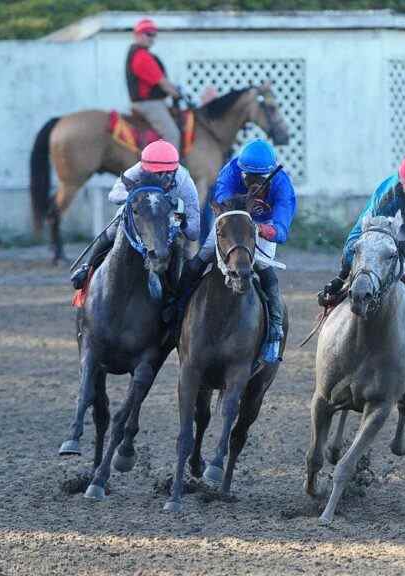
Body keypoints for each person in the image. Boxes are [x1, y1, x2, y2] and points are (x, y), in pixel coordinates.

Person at [321, 153, 405, 352]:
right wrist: (344, 269)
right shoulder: (389, 192)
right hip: (396, 222)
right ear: (402, 185)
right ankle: (341, 290)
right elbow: (360, 232)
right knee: (368, 252)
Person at [176, 139, 296, 364]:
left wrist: (260, 229)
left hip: (260, 230)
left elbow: (282, 229)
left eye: (258, 178)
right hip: (230, 224)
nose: (252, 181)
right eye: (248, 176)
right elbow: (220, 200)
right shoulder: (231, 170)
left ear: (270, 174)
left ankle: (274, 332)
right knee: (199, 260)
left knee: (266, 273)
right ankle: (177, 310)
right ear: (241, 171)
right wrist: (242, 204)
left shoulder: (282, 186)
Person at [70, 140, 199, 289]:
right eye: (154, 172)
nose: (158, 176)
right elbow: (114, 194)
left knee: (178, 242)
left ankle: (176, 294)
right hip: (141, 209)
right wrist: (135, 198)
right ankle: (88, 268)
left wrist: (183, 223)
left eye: (163, 173)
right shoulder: (138, 169)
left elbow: (194, 232)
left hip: (171, 214)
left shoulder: (185, 183)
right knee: (113, 228)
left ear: (173, 170)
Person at [126, 18, 182, 150]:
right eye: (148, 34)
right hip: (149, 105)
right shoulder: (142, 56)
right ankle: (170, 168)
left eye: (153, 34)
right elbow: (163, 83)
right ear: (138, 35)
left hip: (151, 103)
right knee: (172, 134)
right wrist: (177, 93)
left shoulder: (141, 54)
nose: (152, 38)